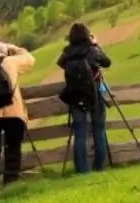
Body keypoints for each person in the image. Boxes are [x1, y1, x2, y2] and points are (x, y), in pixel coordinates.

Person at [0, 42, 35, 192]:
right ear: (5, 51)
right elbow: (30, 59)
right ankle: (10, 181)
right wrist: (14, 48)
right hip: (13, 111)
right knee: (13, 146)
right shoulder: (10, 61)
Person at [57, 23, 112, 174]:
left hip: (75, 96)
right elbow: (107, 62)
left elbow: (60, 63)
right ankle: (99, 165)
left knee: (80, 132)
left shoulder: (67, 54)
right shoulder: (92, 50)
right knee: (98, 129)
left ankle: (82, 169)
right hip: (94, 94)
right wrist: (96, 44)